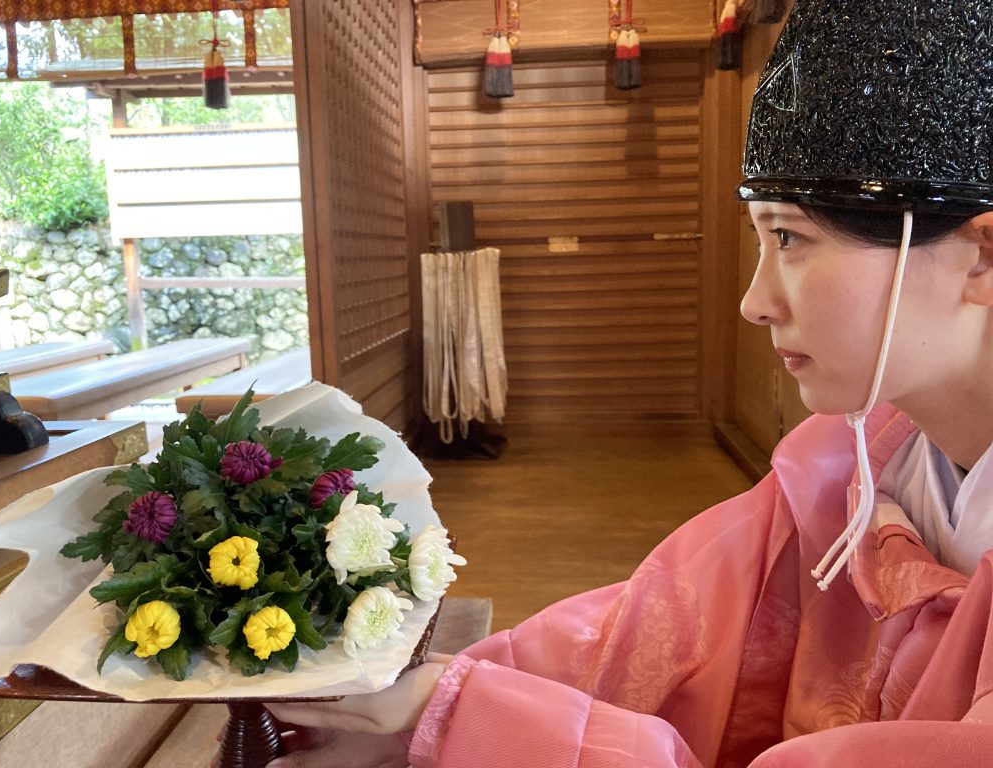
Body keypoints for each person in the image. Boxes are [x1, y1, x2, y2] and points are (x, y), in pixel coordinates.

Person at [260, 1, 993, 765]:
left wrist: (467, 718)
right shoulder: (846, 472)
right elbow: (648, 633)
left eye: (791, 238)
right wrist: (426, 705)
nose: (753, 301)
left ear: (978, 255)